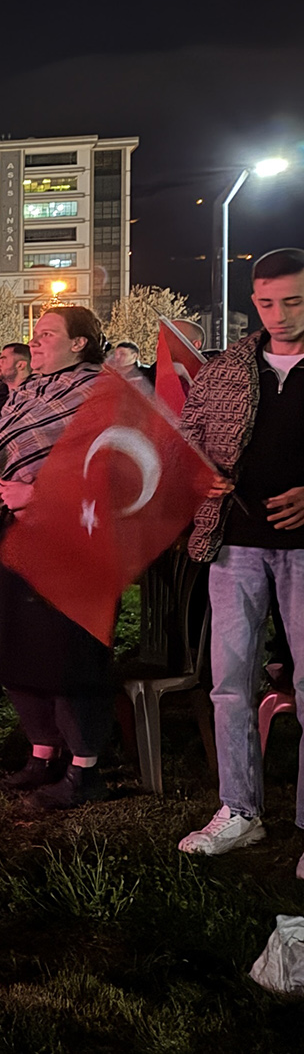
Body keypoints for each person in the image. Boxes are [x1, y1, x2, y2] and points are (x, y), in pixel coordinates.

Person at [175, 248, 304, 872]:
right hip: (236, 545)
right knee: (230, 683)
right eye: (266, 302)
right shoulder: (229, 368)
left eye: (294, 301)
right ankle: (239, 809)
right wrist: (199, 476)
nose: (278, 315)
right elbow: (187, 438)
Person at [0, 306, 111, 809]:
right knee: (16, 648)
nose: (38, 341)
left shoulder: (102, 393)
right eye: (36, 333)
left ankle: (84, 768)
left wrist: (39, 495)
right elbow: (0, 451)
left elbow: (110, 470)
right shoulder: (28, 393)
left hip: (72, 541)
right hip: (11, 535)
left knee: (66, 655)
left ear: (80, 344)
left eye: (49, 334)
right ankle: (42, 753)